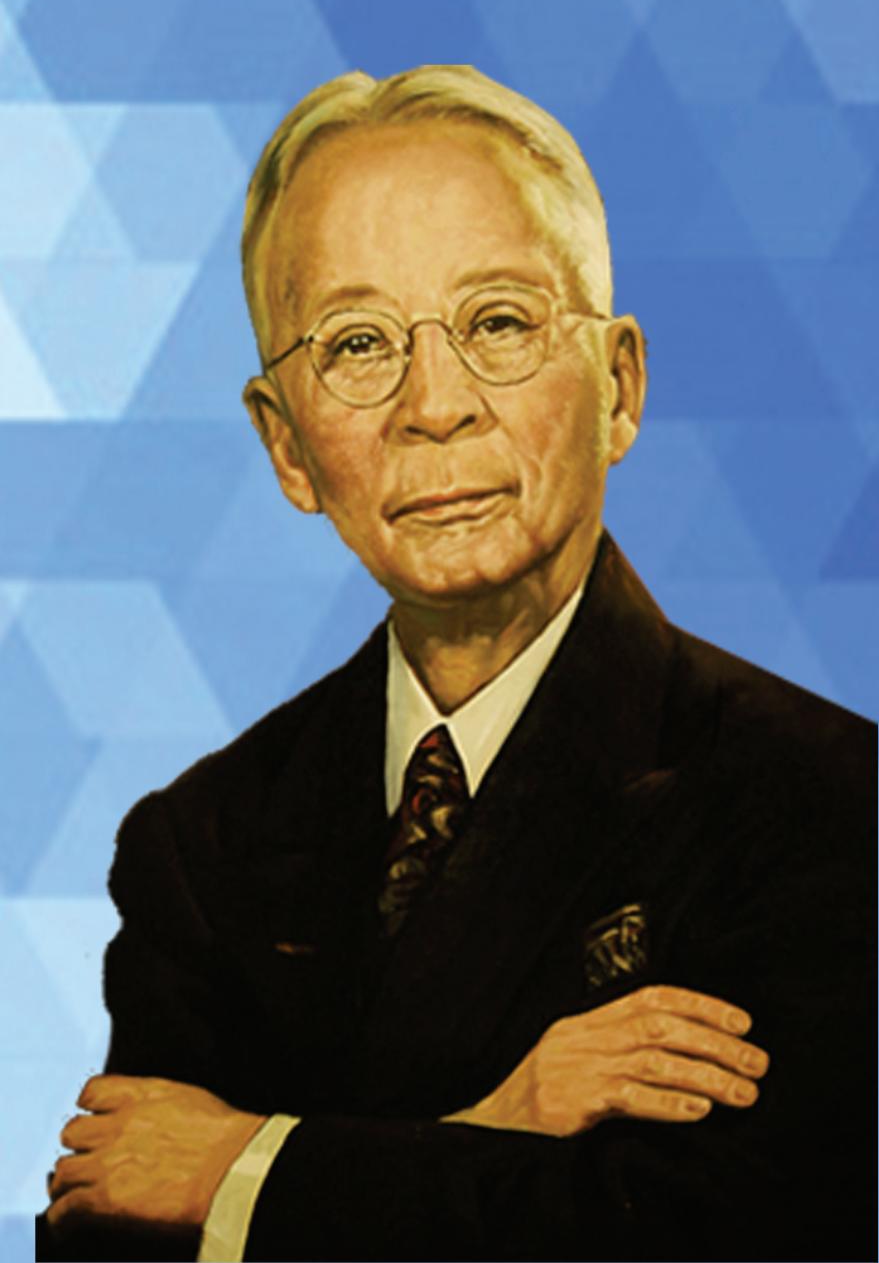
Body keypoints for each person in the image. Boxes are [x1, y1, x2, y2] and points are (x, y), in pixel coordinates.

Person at [38, 65, 874, 1263]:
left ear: (619, 387)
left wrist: (247, 1167)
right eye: (358, 343)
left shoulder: (826, 801)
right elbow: (109, 1231)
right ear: (286, 445)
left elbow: (730, 1229)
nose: (435, 405)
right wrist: (497, 1121)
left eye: (498, 322)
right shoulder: (202, 844)